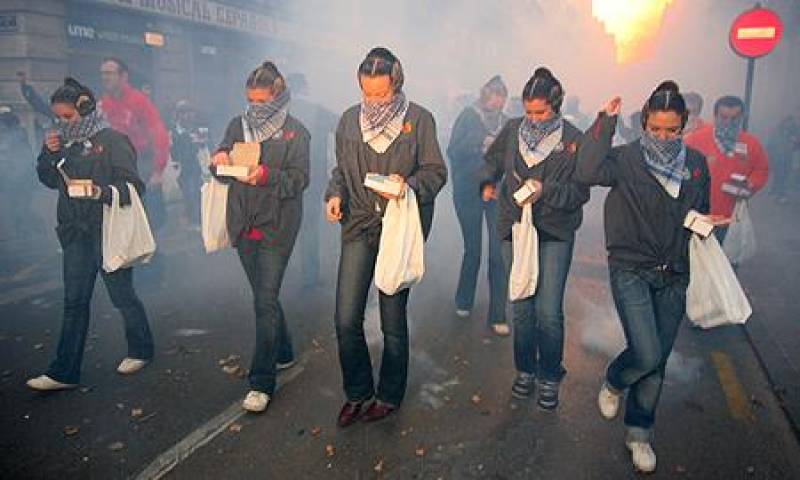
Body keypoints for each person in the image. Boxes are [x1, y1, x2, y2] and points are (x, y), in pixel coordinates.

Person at [575, 82, 712, 473]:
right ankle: (615, 379)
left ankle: (639, 434)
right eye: (656, 129)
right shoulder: (624, 159)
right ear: (644, 124)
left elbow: (700, 210)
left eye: (672, 130)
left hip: (675, 274)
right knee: (647, 351)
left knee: (657, 361)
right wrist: (605, 123)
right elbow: (586, 170)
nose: (664, 137)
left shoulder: (697, 163)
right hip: (631, 268)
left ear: (684, 125)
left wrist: (706, 225)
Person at [325, 47, 447, 426]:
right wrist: (334, 194)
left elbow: (435, 172)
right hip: (359, 225)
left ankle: (389, 394)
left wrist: (407, 184)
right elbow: (340, 171)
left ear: (397, 83)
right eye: (367, 93)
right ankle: (358, 392)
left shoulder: (419, 120)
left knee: (392, 318)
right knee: (346, 318)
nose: (374, 101)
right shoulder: (348, 121)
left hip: (398, 227)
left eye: (381, 93)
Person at [27, 78, 154, 391]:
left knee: (121, 295)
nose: (61, 123)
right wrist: (46, 152)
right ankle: (64, 371)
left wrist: (101, 192)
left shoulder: (113, 140)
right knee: (74, 301)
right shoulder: (62, 144)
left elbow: (134, 186)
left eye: (67, 117)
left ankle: (141, 349)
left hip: (107, 229)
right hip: (74, 233)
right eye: (57, 117)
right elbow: (47, 179)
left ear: (85, 109)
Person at [481, 67, 590, 408]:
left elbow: (580, 191)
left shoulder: (573, 138)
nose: (533, 119)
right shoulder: (513, 130)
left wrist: (546, 190)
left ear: (555, 106)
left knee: (548, 310)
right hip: (515, 227)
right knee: (522, 306)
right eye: (528, 111)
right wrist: (486, 182)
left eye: (540, 112)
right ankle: (525, 371)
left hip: (554, 232)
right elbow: (493, 161)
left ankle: (549, 375)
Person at [210, 61, 310, 413]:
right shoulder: (237, 125)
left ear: (278, 95)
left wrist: (266, 174)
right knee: (263, 295)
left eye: (261, 101)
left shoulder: (296, 131)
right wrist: (218, 161)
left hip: (277, 225)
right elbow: (221, 170)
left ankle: (261, 382)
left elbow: (299, 180)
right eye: (249, 101)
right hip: (242, 222)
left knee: (263, 301)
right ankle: (283, 351)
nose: (254, 108)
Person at [447, 75, 509, 335]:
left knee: (498, 253)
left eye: (501, 96)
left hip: (497, 193)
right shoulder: (468, 116)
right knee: (473, 249)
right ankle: (464, 300)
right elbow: (453, 151)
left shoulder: (507, 123)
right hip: (469, 192)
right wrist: (479, 144)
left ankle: (498, 313)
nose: (497, 101)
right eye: (493, 95)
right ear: (485, 95)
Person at [98, 58, 170, 236]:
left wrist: (158, 171)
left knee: (146, 217)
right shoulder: (103, 104)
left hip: (140, 163)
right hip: (114, 166)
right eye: (102, 74)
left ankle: (151, 257)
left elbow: (158, 133)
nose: (105, 78)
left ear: (123, 76)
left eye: (109, 73)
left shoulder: (139, 101)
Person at [684, 95, 769, 242]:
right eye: (723, 117)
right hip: (701, 214)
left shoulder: (751, 143)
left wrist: (750, 184)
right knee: (700, 256)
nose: (729, 122)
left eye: (735, 118)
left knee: (728, 259)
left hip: (733, 216)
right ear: (715, 116)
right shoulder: (694, 140)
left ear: (742, 117)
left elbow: (762, 169)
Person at [285, 72, 338, 286]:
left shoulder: (280, 111)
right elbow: (343, 126)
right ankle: (310, 277)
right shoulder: (317, 110)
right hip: (311, 177)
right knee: (309, 228)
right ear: (305, 87)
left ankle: (282, 272)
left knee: (284, 225)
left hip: (284, 178)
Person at [0, 106, 38, 238]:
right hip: (20, 177)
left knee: (18, 206)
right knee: (20, 205)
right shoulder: (18, 133)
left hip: (17, 177)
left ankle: (25, 231)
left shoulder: (12, 136)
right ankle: (25, 229)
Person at [170, 100, 209, 228]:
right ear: (178, 115)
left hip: (203, 167)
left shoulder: (200, 128)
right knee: (190, 194)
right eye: (184, 112)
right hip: (184, 170)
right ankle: (193, 221)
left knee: (203, 193)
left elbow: (208, 145)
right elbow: (175, 153)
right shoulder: (174, 133)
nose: (188, 115)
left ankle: (202, 220)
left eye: (190, 112)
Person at [766, 114, 799, 204]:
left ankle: (777, 193)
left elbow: (797, 146)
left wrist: (795, 142)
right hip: (777, 158)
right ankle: (779, 194)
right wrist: (770, 157)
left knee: (783, 176)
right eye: (787, 123)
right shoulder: (777, 132)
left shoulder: (794, 133)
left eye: (791, 124)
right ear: (784, 123)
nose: (788, 125)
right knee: (779, 176)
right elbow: (770, 145)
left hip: (787, 158)